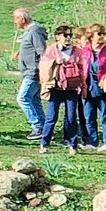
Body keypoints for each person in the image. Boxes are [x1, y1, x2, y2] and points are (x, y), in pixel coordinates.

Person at [37, 24, 88, 154]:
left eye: (70, 35)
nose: (68, 38)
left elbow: (82, 70)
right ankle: (44, 143)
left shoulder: (77, 51)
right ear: (57, 37)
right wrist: (54, 62)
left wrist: (83, 86)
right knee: (51, 117)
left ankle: (73, 145)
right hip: (56, 89)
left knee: (71, 117)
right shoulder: (51, 50)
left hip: (72, 89)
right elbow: (43, 66)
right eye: (65, 35)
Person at [13, 8, 47, 145]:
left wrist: (43, 71)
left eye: (16, 18)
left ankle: (37, 126)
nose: (15, 22)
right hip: (29, 71)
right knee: (34, 100)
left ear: (23, 19)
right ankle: (44, 127)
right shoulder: (30, 32)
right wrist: (20, 53)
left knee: (22, 98)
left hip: (33, 72)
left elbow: (42, 52)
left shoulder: (34, 31)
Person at [82, 24, 106, 151]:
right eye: (99, 34)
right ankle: (92, 142)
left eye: (103, 34)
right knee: (89, 116)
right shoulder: (84, 51)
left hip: (103, 88)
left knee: (105, 116)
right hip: (88, 87)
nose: (102, 36)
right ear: (91, 36)